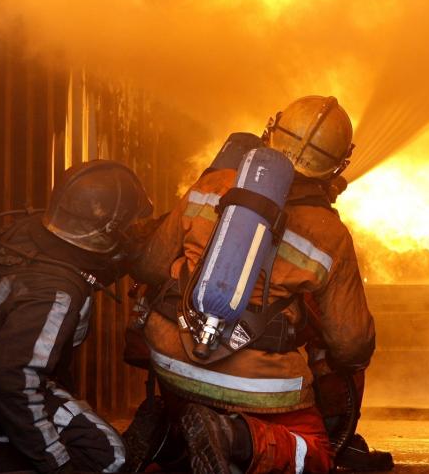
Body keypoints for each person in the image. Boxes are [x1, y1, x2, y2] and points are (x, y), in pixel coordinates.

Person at [132, 96, 376, 474]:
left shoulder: (210, 186)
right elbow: (351, 343)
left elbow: (149, 267)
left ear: (271, 130)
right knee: (316, 453)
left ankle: (168, 437)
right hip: (256, 385)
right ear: (338, 165)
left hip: (171, 361)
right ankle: (236, 438)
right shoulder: (330, 234)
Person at [0, 160, 152, 473]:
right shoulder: (55, 293)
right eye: (126, 227)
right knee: (109, 458)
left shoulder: (31, 233)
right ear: (107, 229)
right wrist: (56, 463)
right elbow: (13, 382)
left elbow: (90, 263)